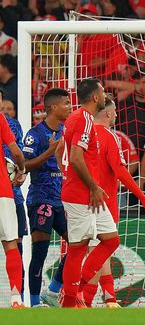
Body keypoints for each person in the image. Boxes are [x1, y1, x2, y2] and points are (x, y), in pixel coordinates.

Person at [82, 94, 145, 308]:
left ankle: (110, 299)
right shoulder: (108, 136)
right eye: (114, 111)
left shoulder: (82, 133)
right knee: (98, 254)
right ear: (107, 112)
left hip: (80, 202)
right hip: (103, 204)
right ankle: (81, 300)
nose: (116, 115)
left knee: (98, 252)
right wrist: (144, 199)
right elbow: (121, 173)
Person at [56, 78, 120, 308]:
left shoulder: (81, 119)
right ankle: (70, 302)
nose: (104, 96)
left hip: (90, 192)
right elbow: (74, 156)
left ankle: (77, 290)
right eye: (102, 92)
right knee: (78, 247)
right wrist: (92, 185)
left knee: (111, 240)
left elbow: (61, 151)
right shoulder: (82, 118)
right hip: (81, 194)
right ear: (95, 97)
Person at [22, 88, 72, 307]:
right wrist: (49, 152)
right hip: (41, 199)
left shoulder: (67, 131)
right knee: (40, 253)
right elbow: (24, 165)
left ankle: (52, 291)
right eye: (66, 103)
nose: (70, 107)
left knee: (78, 243)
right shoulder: (36, 134)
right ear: (53, 107)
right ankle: (34, 303)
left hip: (61, 199)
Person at [0, 99, 26, 308]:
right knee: (10, 244)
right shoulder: (1, 119)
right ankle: (16, 298)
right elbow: (16, 152)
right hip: (2, 191)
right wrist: (21, 169)